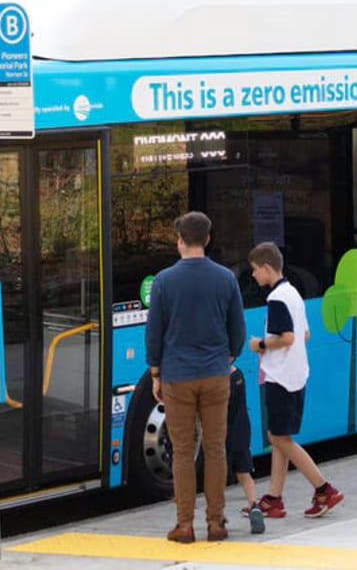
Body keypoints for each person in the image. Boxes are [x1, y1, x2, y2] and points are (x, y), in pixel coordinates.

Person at [145, 211, 246, 544]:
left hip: (177, 376)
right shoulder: (225, 278)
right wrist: (226, 358)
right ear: (208, 239)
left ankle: (184, 525)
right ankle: (216, 523)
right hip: (215, 374)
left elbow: (154, 332)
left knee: (183, 451)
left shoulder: (164, 281)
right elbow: (238, 330)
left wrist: (156, 373)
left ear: (179, 240)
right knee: (216, 449)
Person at [247, 242, 344, 519]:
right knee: (281, 436)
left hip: (280, 376)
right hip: (296, 373)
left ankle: (324, 488)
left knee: (277, 437)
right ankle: (274, 498)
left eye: (255, 269)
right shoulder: (293, 293)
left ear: (267, 268)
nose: (253, 275)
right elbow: (305, 335)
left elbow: (287, 337)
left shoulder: (276, 298)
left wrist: (260, 344)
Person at [228, 358, 264, 534]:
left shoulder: (218, 380)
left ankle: (217, 514)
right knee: (244, 473)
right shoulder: (238, 375)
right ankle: (254, 505)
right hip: (242, 432)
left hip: (223, 435)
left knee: (216, 475)